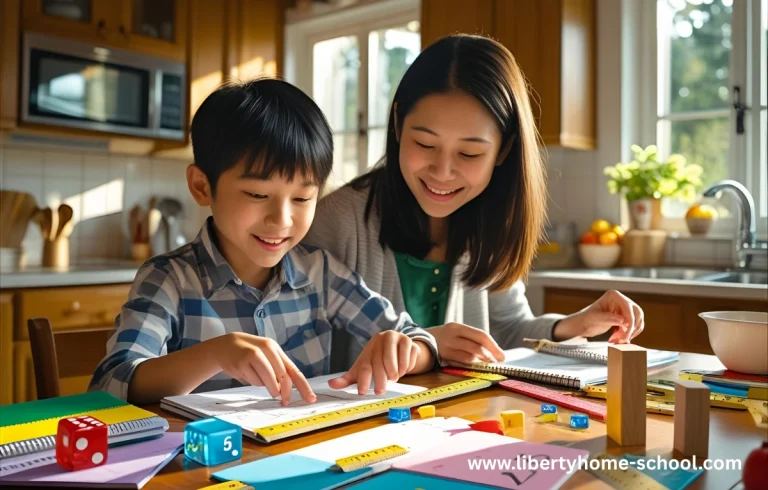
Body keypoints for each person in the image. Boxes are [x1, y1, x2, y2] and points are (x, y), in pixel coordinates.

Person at [89, 78, 438, 405]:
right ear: (201, 187)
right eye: (258, 194)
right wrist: (215, 353)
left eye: (302, 199)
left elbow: (412, 335)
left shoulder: (321, 273)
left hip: (304, 455)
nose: (282, 220)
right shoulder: (170, 280)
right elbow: (111, 384)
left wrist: (405, 347)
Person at [304, 34, 644, 369]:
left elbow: (508, 331)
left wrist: (574, 325)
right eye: (424, 144)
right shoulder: (334, 223)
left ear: (504, 149)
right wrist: (425, 344)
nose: (443, 171)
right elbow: (300, 356)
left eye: (469, 153)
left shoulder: (489, 221)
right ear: (396, 124)